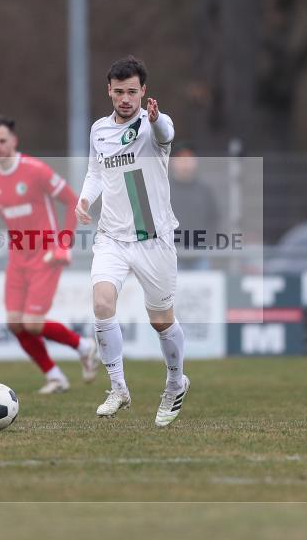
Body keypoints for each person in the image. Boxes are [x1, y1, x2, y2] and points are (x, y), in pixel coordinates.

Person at [76, 55, 190, 428]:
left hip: (152, 239)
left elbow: (166, 134)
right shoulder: (98, 130)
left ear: (144, 92)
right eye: (119, 91)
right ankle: (118, 387)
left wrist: (156, 120)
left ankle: (175, 382)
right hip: (111, 236)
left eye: (132, 91)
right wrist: (84, 199)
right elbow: (96, 171)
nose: (125, 98)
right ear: (109, 90)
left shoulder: (152, 125)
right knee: (102, 301)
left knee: (161, 321)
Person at [0, 115, 98, 394]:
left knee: (32, 323)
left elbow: (72, 201)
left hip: (46, 254)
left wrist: (63, 244)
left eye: (1, 141)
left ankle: (84, 346)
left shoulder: (35, 170)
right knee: (14, 322)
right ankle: (56, 375)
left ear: (14, 141)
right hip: (17, 258)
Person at [169, 144, 220, 270]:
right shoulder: (164, 189)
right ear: (173, 162)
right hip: (171, 257)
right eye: (181, 158)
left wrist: (206, 242)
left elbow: (214, 218)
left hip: (200, 256)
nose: (185, 163)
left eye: (189, 158)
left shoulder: (204, 190)